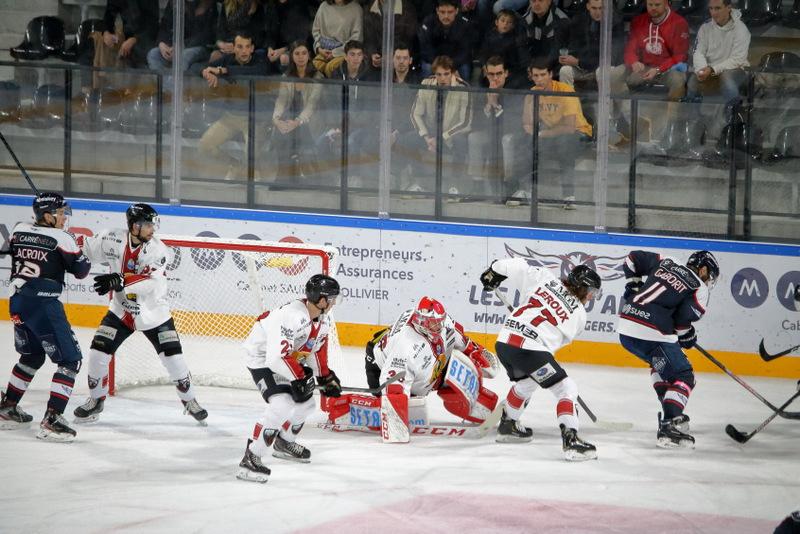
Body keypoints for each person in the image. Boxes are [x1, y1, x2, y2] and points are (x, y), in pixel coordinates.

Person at [72, 204, 208, 424]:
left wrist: (119, 280)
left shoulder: (159, 250)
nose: (153, 229)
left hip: (154, 314)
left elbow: (150, 283)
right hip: (121, 311)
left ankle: (190, 400)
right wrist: (60, 238)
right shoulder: (110, 238)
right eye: (148, 225)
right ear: (135, 226)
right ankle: (96, 400)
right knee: (98, 354)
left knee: (174, 360)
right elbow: (83, 248)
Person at [325, 296, 499, 442]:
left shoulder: (441, 322)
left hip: (417, 361)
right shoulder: (406, 348)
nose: (439, 327)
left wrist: (477, 353)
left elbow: (463, 341)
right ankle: (345, 408)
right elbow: (393, 388)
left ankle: (479, 401)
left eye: (439, 322)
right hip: (380, 366)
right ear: (422, 323)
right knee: (395, 409)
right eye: (434, 324)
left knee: (453, 367)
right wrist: (396, 427)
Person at [479, 258, 601, 461]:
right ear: (582, 288)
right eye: (591, 292)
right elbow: (554, 344)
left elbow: (517, 265)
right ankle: (571, 441)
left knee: (527, 382)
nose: (591, 297)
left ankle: (508, 425)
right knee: (566, 388)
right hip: (531, 350)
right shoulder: (580, 315)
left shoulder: (544, 278)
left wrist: (494, 272)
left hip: (504, 343)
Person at [0, 193, 91, 442]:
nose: (64, 218)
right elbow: (82, 271)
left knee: (32, 356)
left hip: (18, 303)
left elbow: (8, 248)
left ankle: (7, 408)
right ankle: (52, 420)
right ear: (48, 216)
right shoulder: (63, 238)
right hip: (44, 305)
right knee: (70, 361)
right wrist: (76, 247)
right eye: (60, 214)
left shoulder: (19, 229)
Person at [236, 274, 343, 483]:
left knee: (307, 405)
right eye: (332, 299)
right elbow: (275, 358)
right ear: (322, 300)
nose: (334, 303)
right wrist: (300, 378)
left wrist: (325, 377)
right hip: (262, 358)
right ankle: (251, 456)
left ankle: (284, 442)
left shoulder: (323, 319)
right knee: (282, 404)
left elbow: (315, 350)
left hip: (285, 359)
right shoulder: (291, 316)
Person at [618, 249, 720, 448]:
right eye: (709, 275)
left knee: (660, 364)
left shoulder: (667, 260)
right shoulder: (700, 288)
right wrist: (688, 336)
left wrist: (633, 285)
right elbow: (681, 324)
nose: (708, 281)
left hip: (626, 325)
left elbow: (632, 258)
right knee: (684, 376)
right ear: (703, 270)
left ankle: (670, 410)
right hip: (652, 331)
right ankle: (669, 424)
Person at [507, 57, 593, 209]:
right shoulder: (533, 93)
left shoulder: (565, 91)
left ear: (550, 74)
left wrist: (541, 134)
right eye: (536, 76)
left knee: (564, 142)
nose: (539, 79)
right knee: (523, 141)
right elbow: (527, 124)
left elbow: (569, 127)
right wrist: (531, 109)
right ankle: (524, 190)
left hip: (579, 133)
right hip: (553, 134)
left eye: (542, 75)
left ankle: (568, 196)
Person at [197, 31, 269, 181]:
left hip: (254, 119)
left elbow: (256, 72)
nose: (244, 51)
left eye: (247, 47)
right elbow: (198, 67)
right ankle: (234, 165)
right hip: (230, 117)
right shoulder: (228, 59)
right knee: (204, 146)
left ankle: (254, 176)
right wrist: (206, 72)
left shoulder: (260, 60)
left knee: (251, 158)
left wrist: (222, 71)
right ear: (234, 48)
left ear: (252, 48)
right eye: (240, 47)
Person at [409, 54, 472, 199]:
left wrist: (442, 138)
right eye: (439, 74)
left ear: (453, 73)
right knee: (408, 139)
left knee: (461, 142)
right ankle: (419, 183)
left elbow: (465, 122)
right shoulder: (426, 83)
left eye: (446, 74)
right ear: (434, 74)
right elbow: (415, 114)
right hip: (431, 134)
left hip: (451, 134)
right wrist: (426, 137)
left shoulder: (463, 88)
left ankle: (455, 186)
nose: (442, 78)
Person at [466, 56, 522, 202]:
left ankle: (510, 186)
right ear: (486, 73)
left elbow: (513, 124)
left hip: (510, 134)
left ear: (506, 73)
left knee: (506, 139)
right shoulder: (482, 92)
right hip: (490, 134)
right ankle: (477, 186)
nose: (495, 78)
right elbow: (476, 123)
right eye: (491, 74)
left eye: (499, 74)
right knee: (474, 137)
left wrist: (496, 105)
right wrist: (488, 105)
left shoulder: (514, 90)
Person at [270, 41, 325, 187]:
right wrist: (276, 119)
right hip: (290, 120)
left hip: (309, 121)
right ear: (292, 56)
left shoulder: (317, 77)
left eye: (304, 53)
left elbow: (312, 105)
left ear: (309, 56)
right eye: (297, 54)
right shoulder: (286, 76)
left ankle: (292, 176)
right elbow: (281, 101)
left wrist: (297, 122)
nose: (301, 57)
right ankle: (284, 176)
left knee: (291, 131)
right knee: (281, 130)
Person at [614, 0, 690, 102]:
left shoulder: (679, 23)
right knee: (614, 75)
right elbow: (630, 49)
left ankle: (672, 112)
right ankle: (625, 110)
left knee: (678, 80)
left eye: (657, 5)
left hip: (667, 69)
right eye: (650, 5)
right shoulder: (638, 21)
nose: (653, 8)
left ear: (666, 4)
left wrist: (658, 69)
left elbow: (680, 55)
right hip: (643, 68)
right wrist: (634, 62)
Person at [686, 0, 750, 105]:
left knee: (726, 78)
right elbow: (698, 52)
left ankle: (734, 111)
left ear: (728, 8)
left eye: (718, 8)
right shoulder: (705, 27)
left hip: (736, 70)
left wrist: (712, 69)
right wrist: (701, 69)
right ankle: (692, 114)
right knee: (693, 81)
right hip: (710, 69)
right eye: (711, 8)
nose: (713, 13)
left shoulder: (741, 29)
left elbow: (737, 60)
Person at [558, 0, 625, 89]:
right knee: (565, 71)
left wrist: (579, 62)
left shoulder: (615, 22)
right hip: (583, 65)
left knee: (601, 71)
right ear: (588, 6)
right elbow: (574, 47)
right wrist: (567, 59)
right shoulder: (579, 20)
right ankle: (568, 98)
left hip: (604, 67)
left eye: (601, 8)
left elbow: (610, 59)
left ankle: (607, 98)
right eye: (594, 8)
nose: (598, 12)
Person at [146, 0, 216, 72]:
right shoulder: (175, 2)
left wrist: (182, 45)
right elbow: (165, 26)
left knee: (183, 56)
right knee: (153, 54)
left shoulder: (208, 4)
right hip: (174, 46)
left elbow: (206, 36)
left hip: (199, 47)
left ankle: (177, 79)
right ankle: (163, 79)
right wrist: (162, 43)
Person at [418, 0, 475, 80]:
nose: (446, 16)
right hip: (434, 60)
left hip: (456, 62)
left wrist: (451, 65)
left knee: (464, 70)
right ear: (437, 11)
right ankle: (427, 88)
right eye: (442, 12)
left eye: (450, 12)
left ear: (456, 11)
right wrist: (438, 64)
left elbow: (465, 51)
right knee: (427, 68)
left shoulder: (465, 25)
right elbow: (426, 49)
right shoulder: (428, 22)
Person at [311, 0, 364, 78]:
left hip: (344, 52)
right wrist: (319, 48)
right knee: (314, 66)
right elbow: (316, 31)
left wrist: (335, 53)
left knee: (331, 67)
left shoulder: (356, 9)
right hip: (324, 51)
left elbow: (357, 38)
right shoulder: (324, 6)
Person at [363, 0, 419, 72]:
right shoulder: (369, 8)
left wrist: (392, 54)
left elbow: (409, 38)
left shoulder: (407, 8)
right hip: (377, 62)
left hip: (401, 58)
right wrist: (373, 54)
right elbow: (369, 37)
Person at [515, 0, 570, 72]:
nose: (537, 4)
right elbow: (521, 46)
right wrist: (529, 66)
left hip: (554, 66)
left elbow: (557, 50)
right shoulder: (524, 20)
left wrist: (541, 68)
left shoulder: (562, 21)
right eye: (533, 1)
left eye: (541, 0)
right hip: (532, 65)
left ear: (549, 2)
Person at [477, 10, 527, 87]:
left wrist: (503, 72)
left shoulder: (515, 40)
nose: (505, 24)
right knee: (482, 80)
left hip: (507, 71)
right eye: (502, 21)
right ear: (496, 22)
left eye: (509, 22)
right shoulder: (489, 36)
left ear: (513, 26)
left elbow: (514, 62)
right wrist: (484, 65)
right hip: (490, 68)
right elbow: (483, 53)